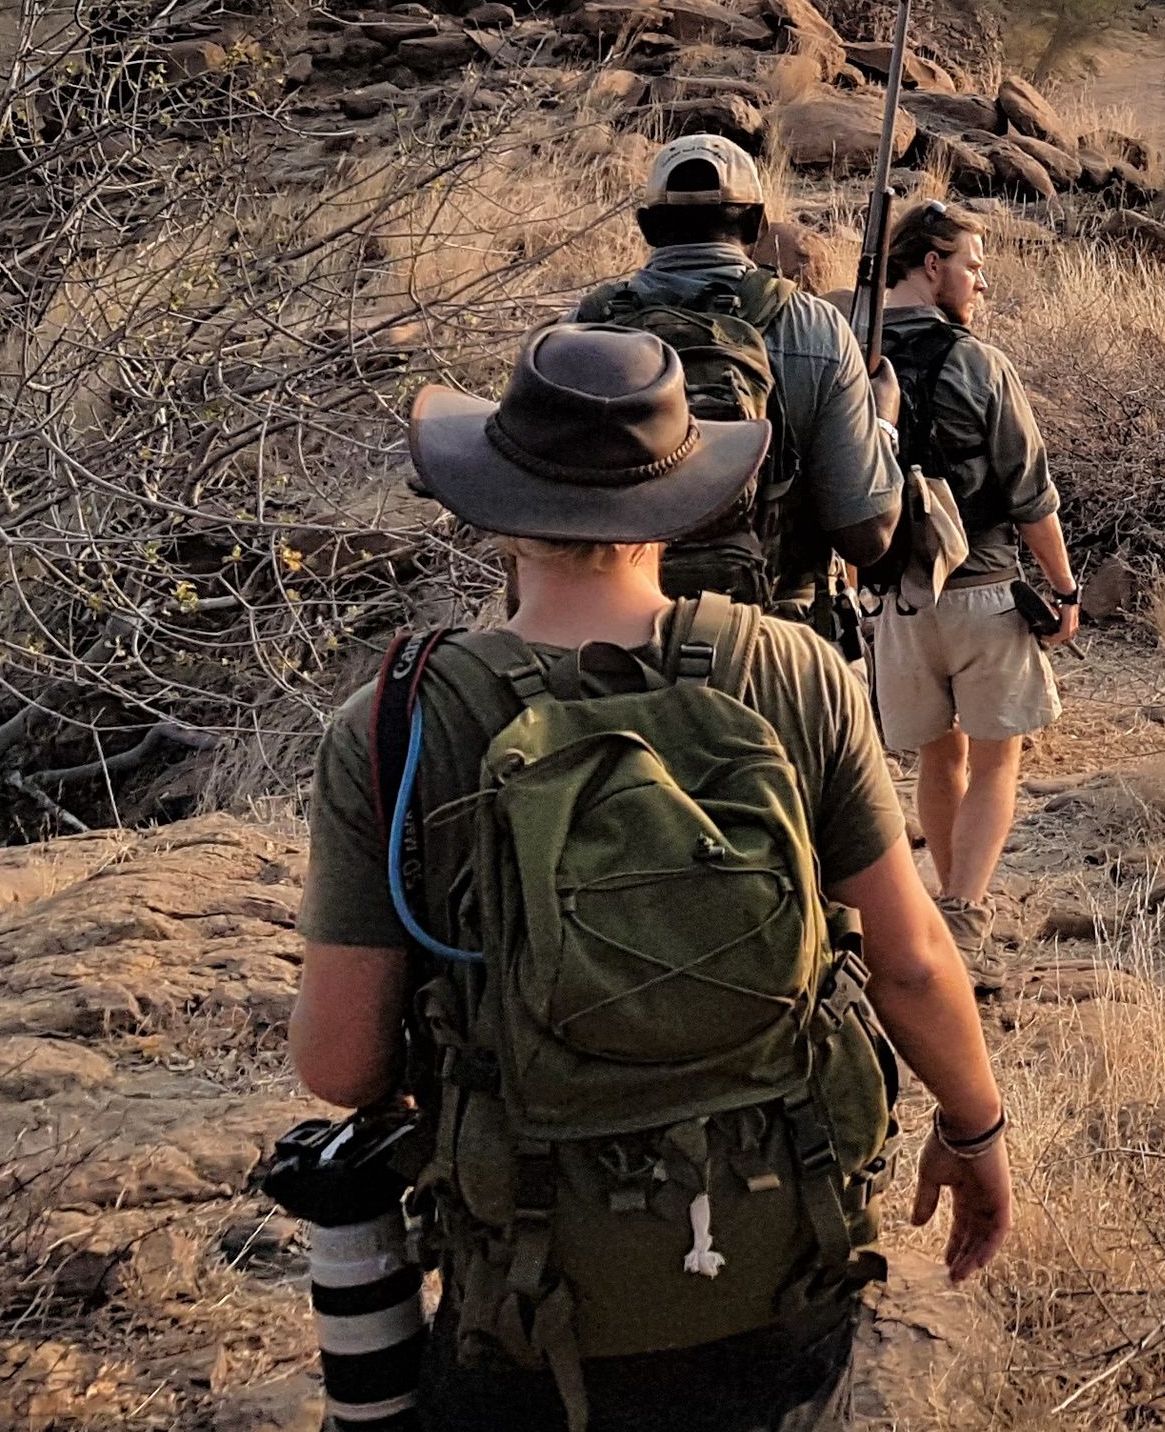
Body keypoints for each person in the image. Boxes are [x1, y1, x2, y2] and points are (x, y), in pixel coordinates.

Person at [291, 325, 1010, 1432]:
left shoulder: (398, 720)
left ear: (495, 502)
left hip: (531, 1285)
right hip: (779, 1256)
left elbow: (341, 1064)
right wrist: (975, 1135)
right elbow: (911, 962)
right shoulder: (795, 673)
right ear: (686, 502)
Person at [572, 136, 896, 650]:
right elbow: (868, 536)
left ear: (647, 227)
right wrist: (882, 424)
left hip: (616, 647)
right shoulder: (816, 329)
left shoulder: (582, 332)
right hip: (776, 652)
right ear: (756, 225)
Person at [865, 202, 1079, 946]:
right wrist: (1065, 587)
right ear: (933, 266)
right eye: (973, 266)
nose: (980, 283)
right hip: (986, 592)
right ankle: (965, 907)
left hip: (894, 601)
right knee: (996, 762)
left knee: (937, 754)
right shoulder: (980, 364)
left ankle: (950, 907)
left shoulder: (850, 360)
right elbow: (1030, 494)